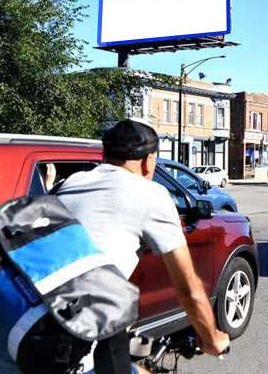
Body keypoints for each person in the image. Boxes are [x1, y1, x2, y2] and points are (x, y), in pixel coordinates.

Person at [55, 120, 230, 373]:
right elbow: (188, 288)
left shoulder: (72, 182)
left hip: (19, 323)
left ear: (105, 156)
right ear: (149, 161)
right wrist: (212, 338)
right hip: (68, 342)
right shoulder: (152, 194)